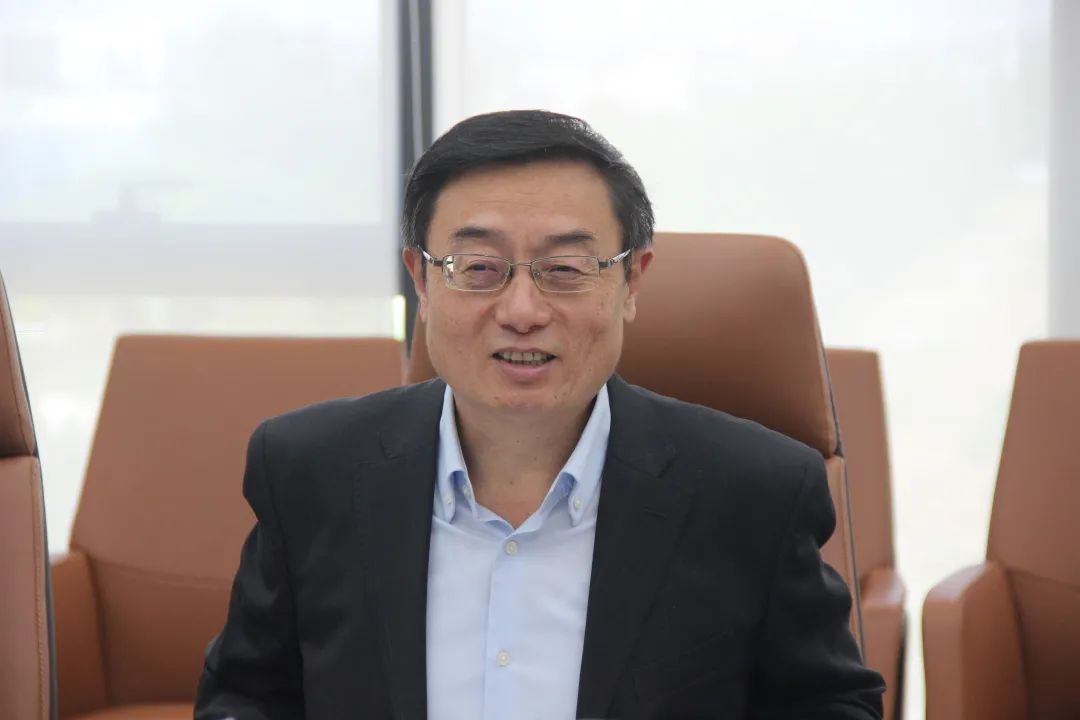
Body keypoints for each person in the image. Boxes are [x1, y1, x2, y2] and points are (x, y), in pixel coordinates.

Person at [195, 110, 884, 719]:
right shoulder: (311, 470)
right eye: (478, 267)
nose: (522, 312)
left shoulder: (756, 493)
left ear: (632, 281)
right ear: (422, 280)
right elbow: (247, 695)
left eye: (565, 269)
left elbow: (828, 706)